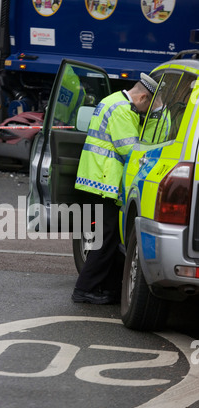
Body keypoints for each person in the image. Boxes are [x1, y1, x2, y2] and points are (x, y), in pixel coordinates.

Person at [72, 73, 159, 305]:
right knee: (107, 237)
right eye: (148, 107)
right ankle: (84, 289)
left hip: (93, 179)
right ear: (142, 97)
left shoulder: (111, 100)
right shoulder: (123, 110)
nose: (145, 113)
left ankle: (105, 289)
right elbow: (130, 150)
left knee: (107, 237)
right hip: (102, 182)